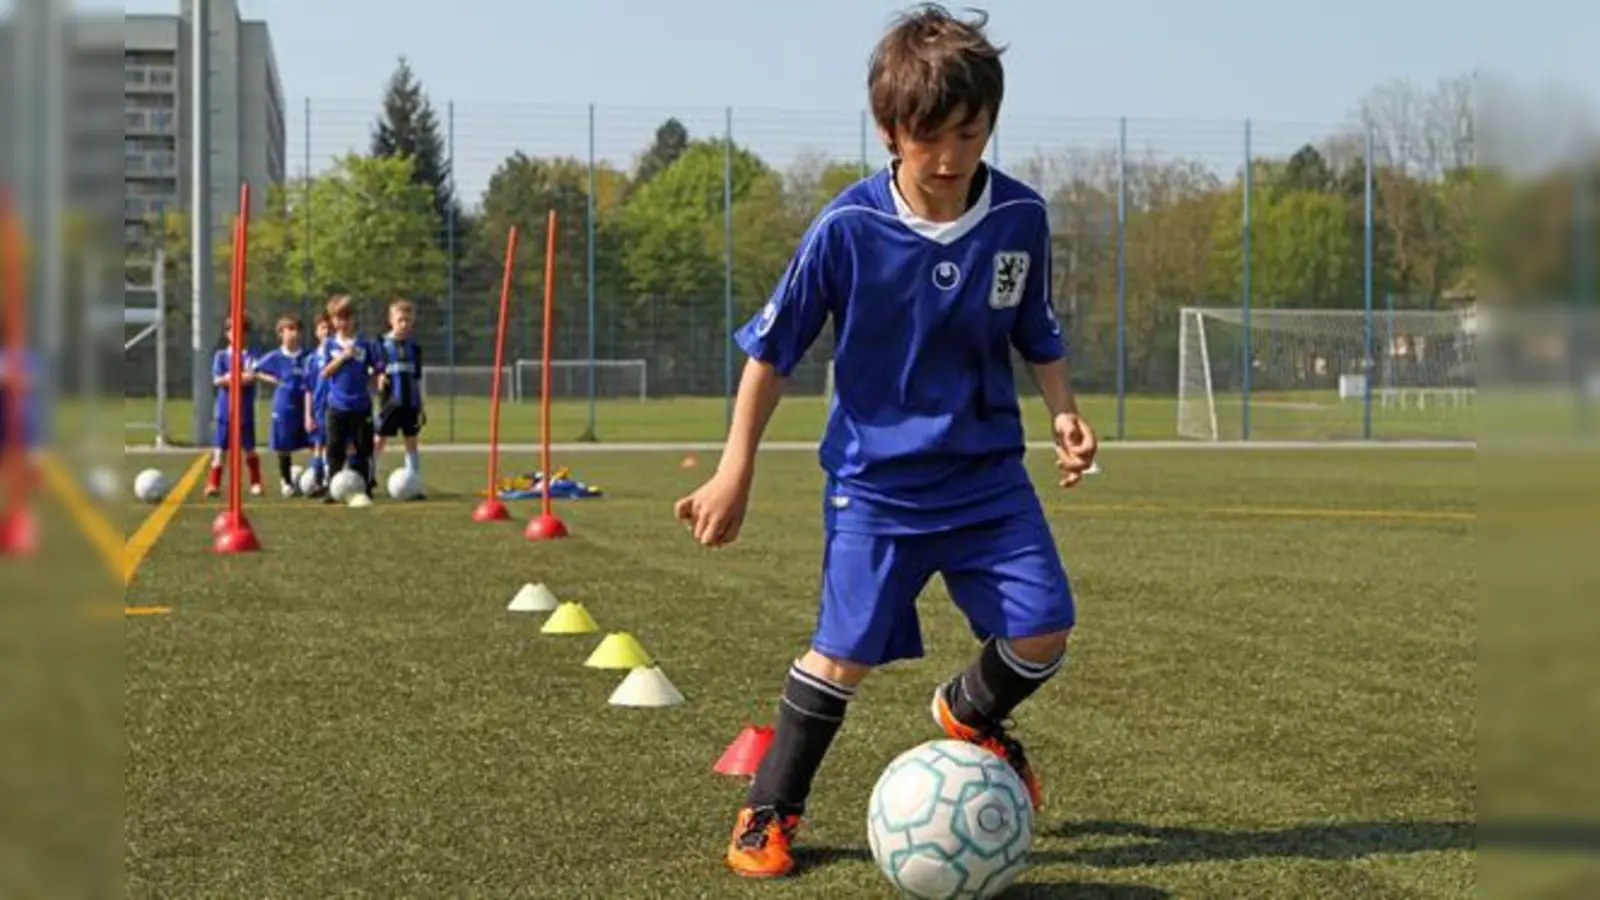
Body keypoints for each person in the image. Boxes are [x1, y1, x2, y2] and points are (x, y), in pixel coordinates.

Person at [672, 3, 1098, 879]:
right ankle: (768, 811)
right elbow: (771, 353)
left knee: (1046, 629)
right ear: (888, 129)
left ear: (992, 126)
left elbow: (1037, 329)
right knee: (844, 653)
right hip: (877, 486)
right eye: (928, 137)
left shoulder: (1020, 216)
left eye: (969, 134)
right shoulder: (846, 229)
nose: (948, 159)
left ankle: (971, 714)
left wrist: (1061, 411)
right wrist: (733, 469)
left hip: (986, 478)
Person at [317, 295, 383, 501]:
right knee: (335, 450)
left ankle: (365, 486)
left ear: (353, 318)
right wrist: (343, 357)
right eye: (337, 318)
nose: (341, 322)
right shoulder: (328, 345)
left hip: (361, 406)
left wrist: (379, 377)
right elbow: (325, 372)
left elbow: (378, 367)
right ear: (331, 320)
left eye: (346, 317)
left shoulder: (366, 344)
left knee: (363, 450)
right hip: (336, 407)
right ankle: (332, 489)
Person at [252, 315, 313, 496]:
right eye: (289, 330)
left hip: (306, 405)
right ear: (281, 334)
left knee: (315, 441)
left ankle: (317, 478)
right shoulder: (275, 356)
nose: (294, 334)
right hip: (284, 406)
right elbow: (254, 370)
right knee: (283, 445)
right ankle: (285, 481)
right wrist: (271, 379)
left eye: (297, 330)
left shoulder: (307, 356)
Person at [204, 315, 264, 498]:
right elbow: (218, 380)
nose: (237, 334)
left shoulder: (252, 354)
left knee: (249, 448)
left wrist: (233, 378)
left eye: (242, 330)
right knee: (220, 448)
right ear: (227, 333)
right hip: (225, 409)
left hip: (245, 409)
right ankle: (213, 484)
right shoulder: (221, 356)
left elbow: (251, 376)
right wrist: (234, 378)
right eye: (232, 330)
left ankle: (256, 482)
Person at [373, 298, 426, 493]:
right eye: (400, 320)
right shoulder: (381, 343)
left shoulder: (414, 347)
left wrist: (420, 403)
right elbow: (374, 366)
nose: (404, 324)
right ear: (391, 320)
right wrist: (378, 375)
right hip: (390, 401)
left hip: (410, 401)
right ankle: (370, 475)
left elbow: (417, 377)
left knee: (411, 439)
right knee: (380, 438)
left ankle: (413, 478)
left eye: (408, 320)